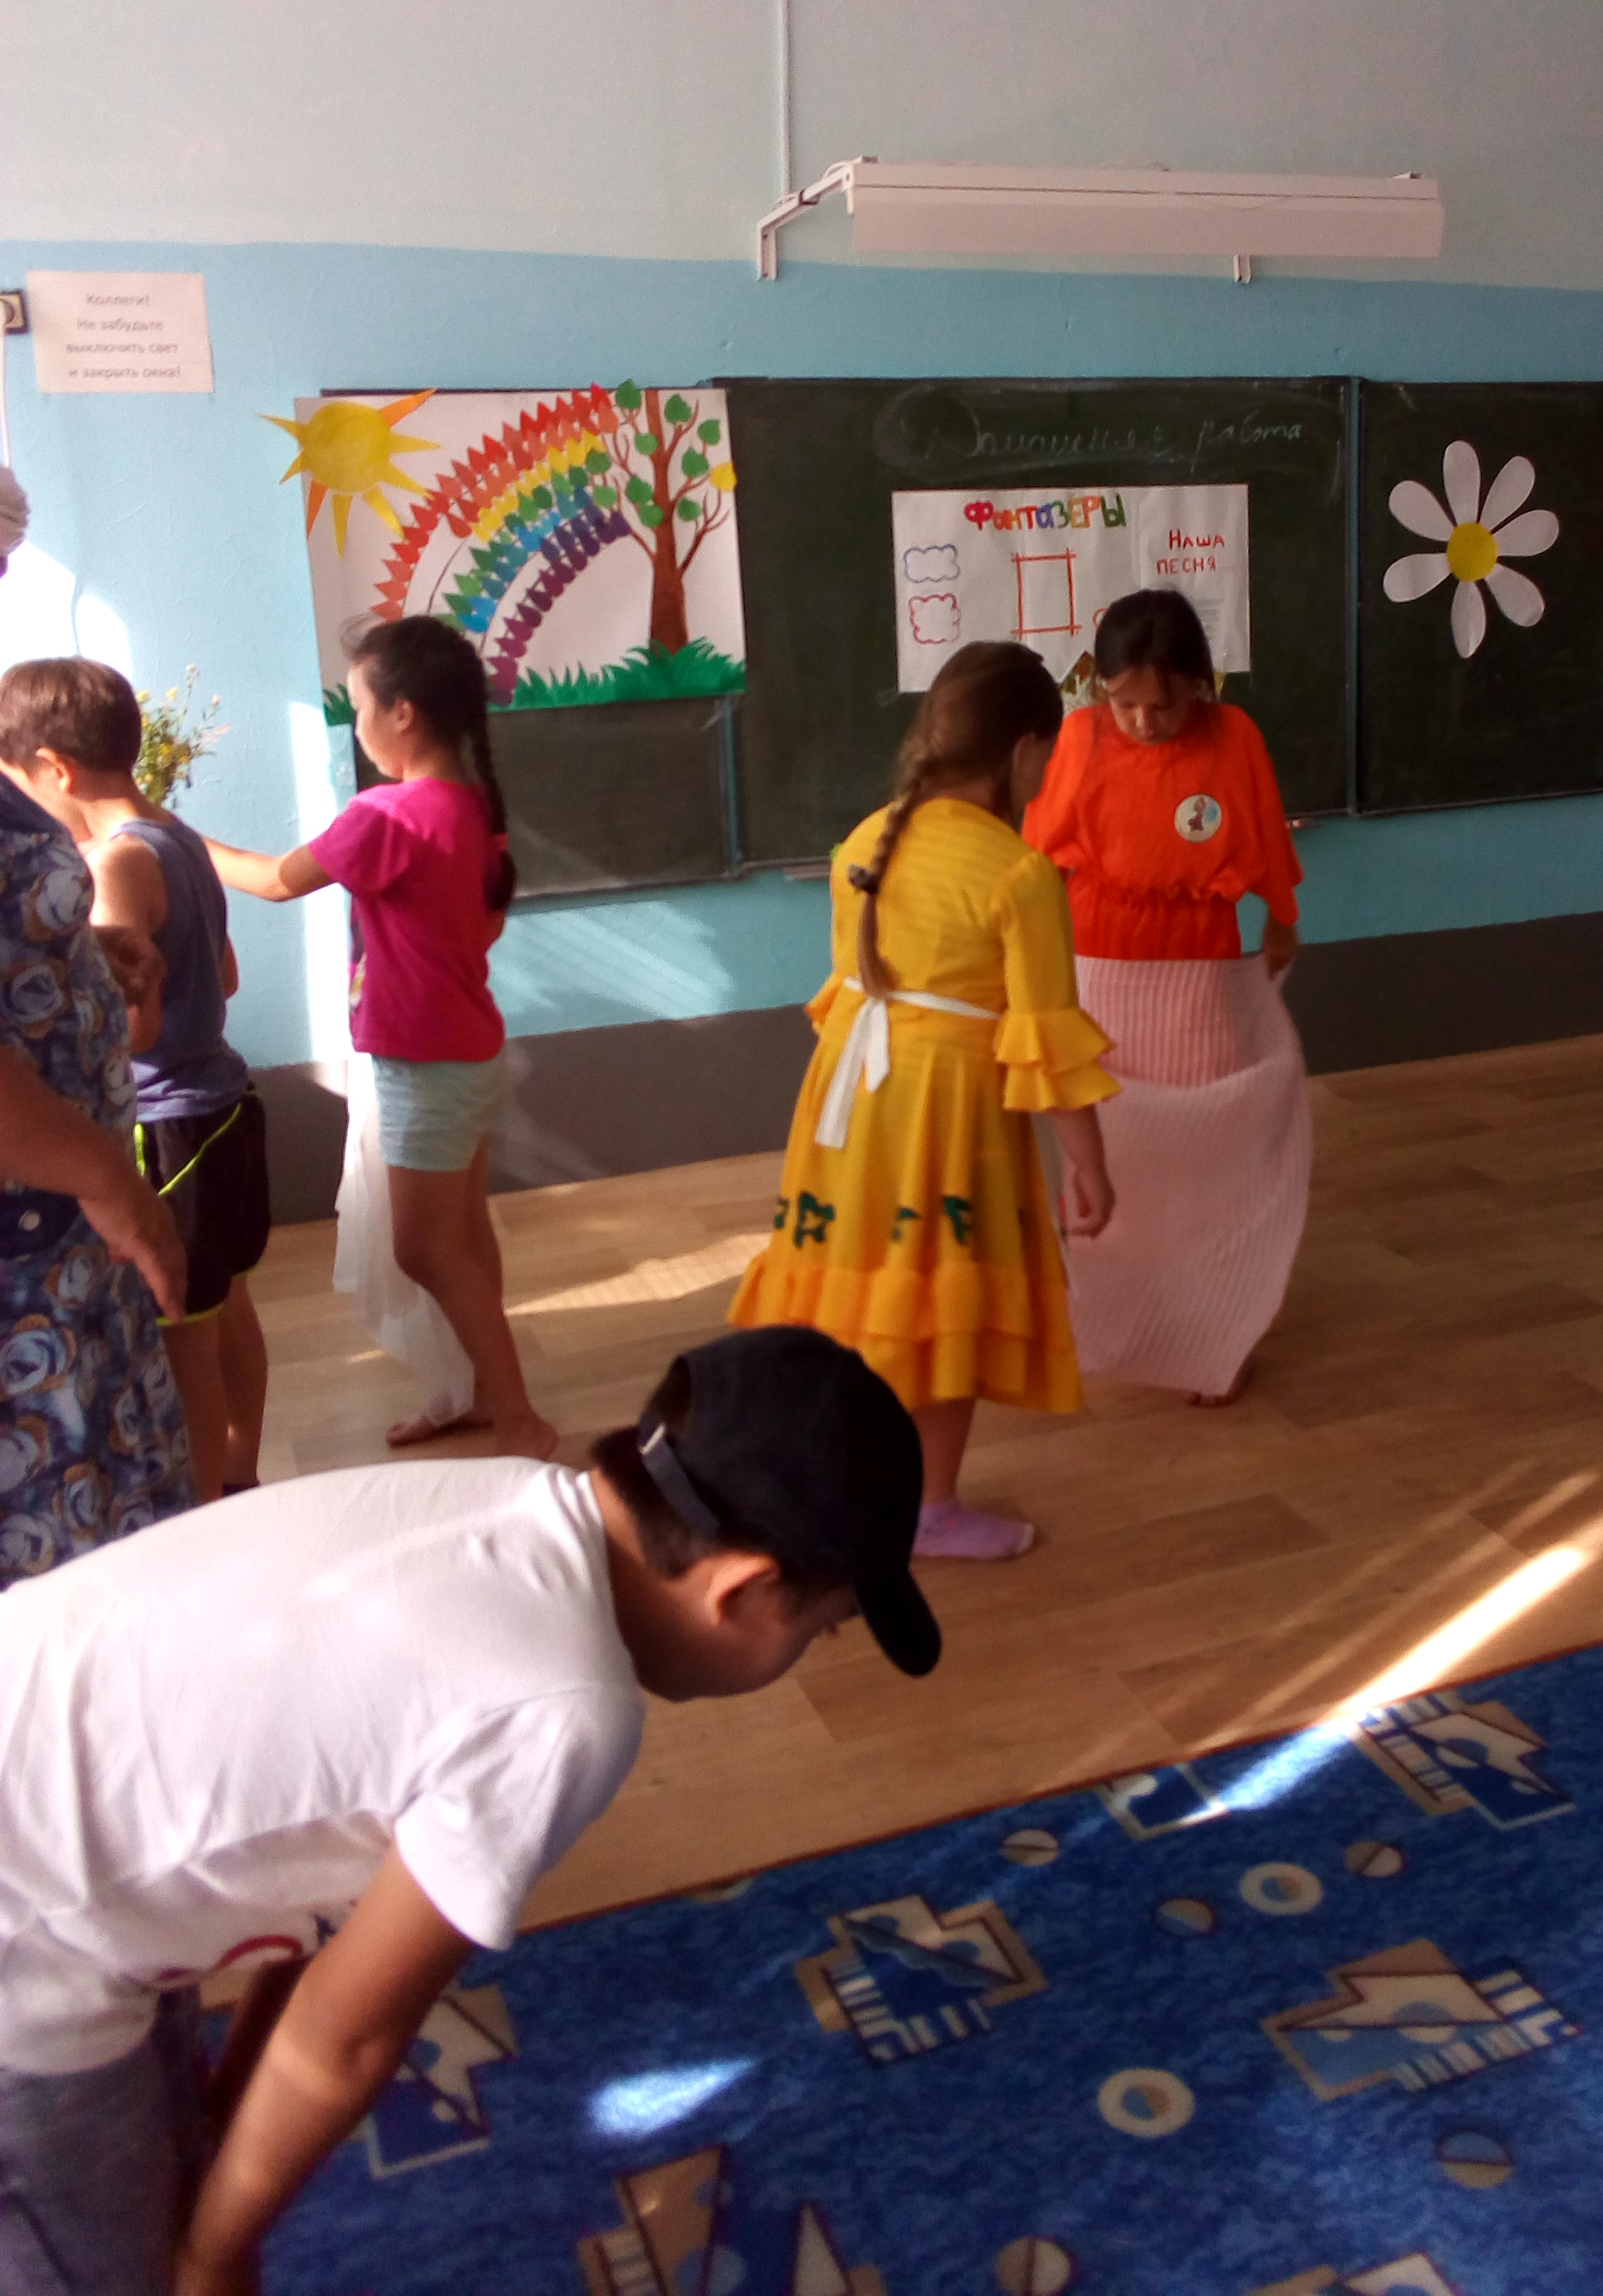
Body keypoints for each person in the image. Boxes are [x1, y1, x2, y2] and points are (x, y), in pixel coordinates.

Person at [0, 1323, 938, 2296]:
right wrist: (209, 2255)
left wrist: (225, 2144)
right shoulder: (566, 1709)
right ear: (742, 1590)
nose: (809, 1651)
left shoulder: (505, 1500)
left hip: (64, 1812)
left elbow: (327, 1908)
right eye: (824, 1632)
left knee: (177, 2165)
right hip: (31, 1941)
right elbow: (340, 2044)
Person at [729, 641, 1117, 1561]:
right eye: (1048, 757)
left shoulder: (863, 841)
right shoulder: (1019, 874)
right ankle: (929, 1509)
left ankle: (837, 1478)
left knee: (860, 1287)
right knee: (943, 1298)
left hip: (852, 1102)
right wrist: (1091, 1167)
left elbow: (847, 984)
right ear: (1024, 749)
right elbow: (1046, 1039)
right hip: (948, 1112)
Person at [205, 616, 555, 1458]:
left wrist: (183, 841)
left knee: (425, 1247)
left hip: (427, 1061)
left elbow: (276, 881)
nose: (357, 726)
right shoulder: (473, 809)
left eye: (360, 707)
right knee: (464, 1232)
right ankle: (484, 1394)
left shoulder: (385, 817)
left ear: (404, 713)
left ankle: (518, 1416)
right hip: (469, 1049)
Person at [1024, 589, 1310, 1403]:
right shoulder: (1080, 738)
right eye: (1126, 705)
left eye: (1165, 704)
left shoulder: (1234, 735)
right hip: (1098, 965)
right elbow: (1038, 862)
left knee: (1204, 1152)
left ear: (1199, 686)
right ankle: (1111, 1316)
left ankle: (1214, 1329)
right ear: (1100, 691)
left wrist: (1281, 919)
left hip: (1198, 966)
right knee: (1111, 1150)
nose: (1145, 722)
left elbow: (1265, 833)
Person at [0, 656, 271, 1500]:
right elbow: (225, 976)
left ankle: (207, 1507)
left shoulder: (118, 863)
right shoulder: (178, 835)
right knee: (228, 1308)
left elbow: (136, 1023)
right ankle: (242, 1471)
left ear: (56, 769)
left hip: (169, 1127)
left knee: (184, 1339)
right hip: (224, 1106)